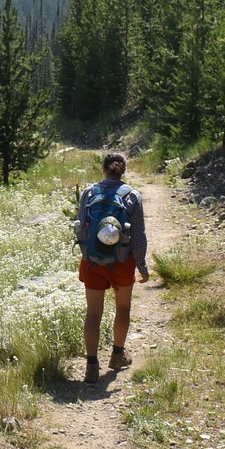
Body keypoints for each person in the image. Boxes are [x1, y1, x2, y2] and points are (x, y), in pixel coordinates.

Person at [77, 151, 148, 384]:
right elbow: (138, 236)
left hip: (93, 262)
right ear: (123, 169)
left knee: (93, 313)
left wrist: (88, 256)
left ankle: (91, 366)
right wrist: (142, 265)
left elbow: (82, 228)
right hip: (121, 262)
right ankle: (117, 356)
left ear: (103, 168)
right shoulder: (132, 196)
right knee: (123, 307)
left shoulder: (89, 192)